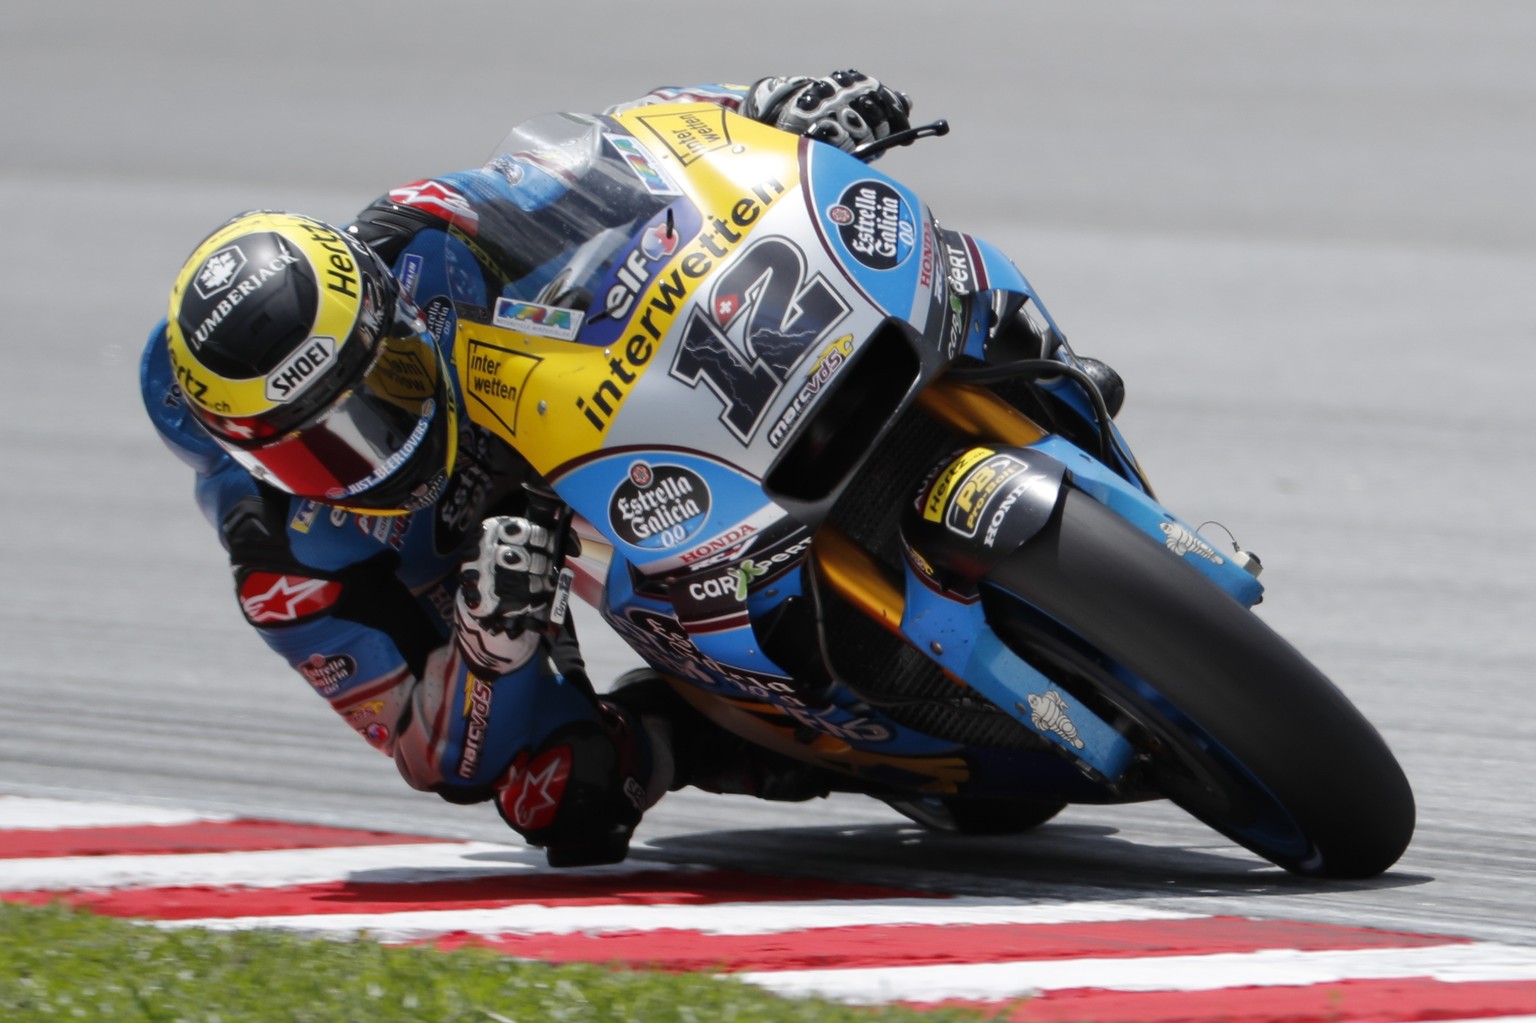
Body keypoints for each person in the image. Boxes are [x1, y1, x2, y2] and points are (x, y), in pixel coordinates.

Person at [140, 72, 922, 867]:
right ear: (257, 461)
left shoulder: (418, 235)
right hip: (525, 563)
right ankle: (734, 733)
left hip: (606, 403)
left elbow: (626, 151)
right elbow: (427, 753)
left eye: (384, 382)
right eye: (320, 445)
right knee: (556, 790)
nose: (374, 440)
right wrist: (487, 647)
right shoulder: (284, 563)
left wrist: (761, 108)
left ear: (383, 305)